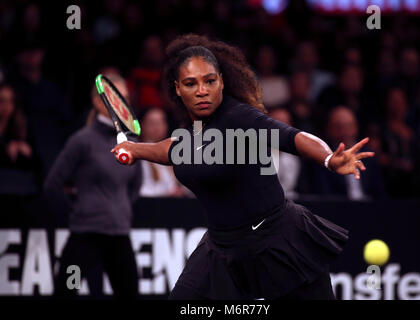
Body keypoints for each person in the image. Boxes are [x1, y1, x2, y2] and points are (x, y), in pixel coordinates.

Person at [111, 34, 374, 300]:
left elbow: (291, 136)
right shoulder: (190, 132)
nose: (202, 90)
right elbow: (172, 149)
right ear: (178, 88)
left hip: (277, 241)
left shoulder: (241, 118)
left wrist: (329, 159)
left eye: (209, 81)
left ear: (221, 82)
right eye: (191, 83)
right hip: (221, 247)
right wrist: (135, 149)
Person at [44, 74, 142, 299]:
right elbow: (52, 185)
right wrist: (78, 212)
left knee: (129, 294)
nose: (121, 104)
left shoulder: (133, 144)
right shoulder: (82, 140)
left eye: (125, 98)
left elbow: (135, 186)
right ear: (98, 101)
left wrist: (120, 209)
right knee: (67, 291)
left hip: (119, 238)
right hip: (85, 240)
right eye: (115, 98)